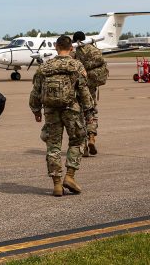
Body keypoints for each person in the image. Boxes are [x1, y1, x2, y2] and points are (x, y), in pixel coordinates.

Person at [29, 35, 93, 197]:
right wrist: (89, 112)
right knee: (77, 141)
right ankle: (69, 176)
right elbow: (84, 91)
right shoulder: (76, 65)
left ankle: (57, 184)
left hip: (50, 111)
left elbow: (36, 91)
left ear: (56, 47)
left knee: (53, 146)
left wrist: (36, 110)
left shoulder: (45, 66)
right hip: (71, 109)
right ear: (71, 48)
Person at [73, 31, 104, 156]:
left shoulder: (74, 52)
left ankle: (83, 147)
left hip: (79, 88)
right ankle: (91, 137)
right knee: (91, 113)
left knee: (79, 116)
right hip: (91, 87)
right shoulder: (94, 49)